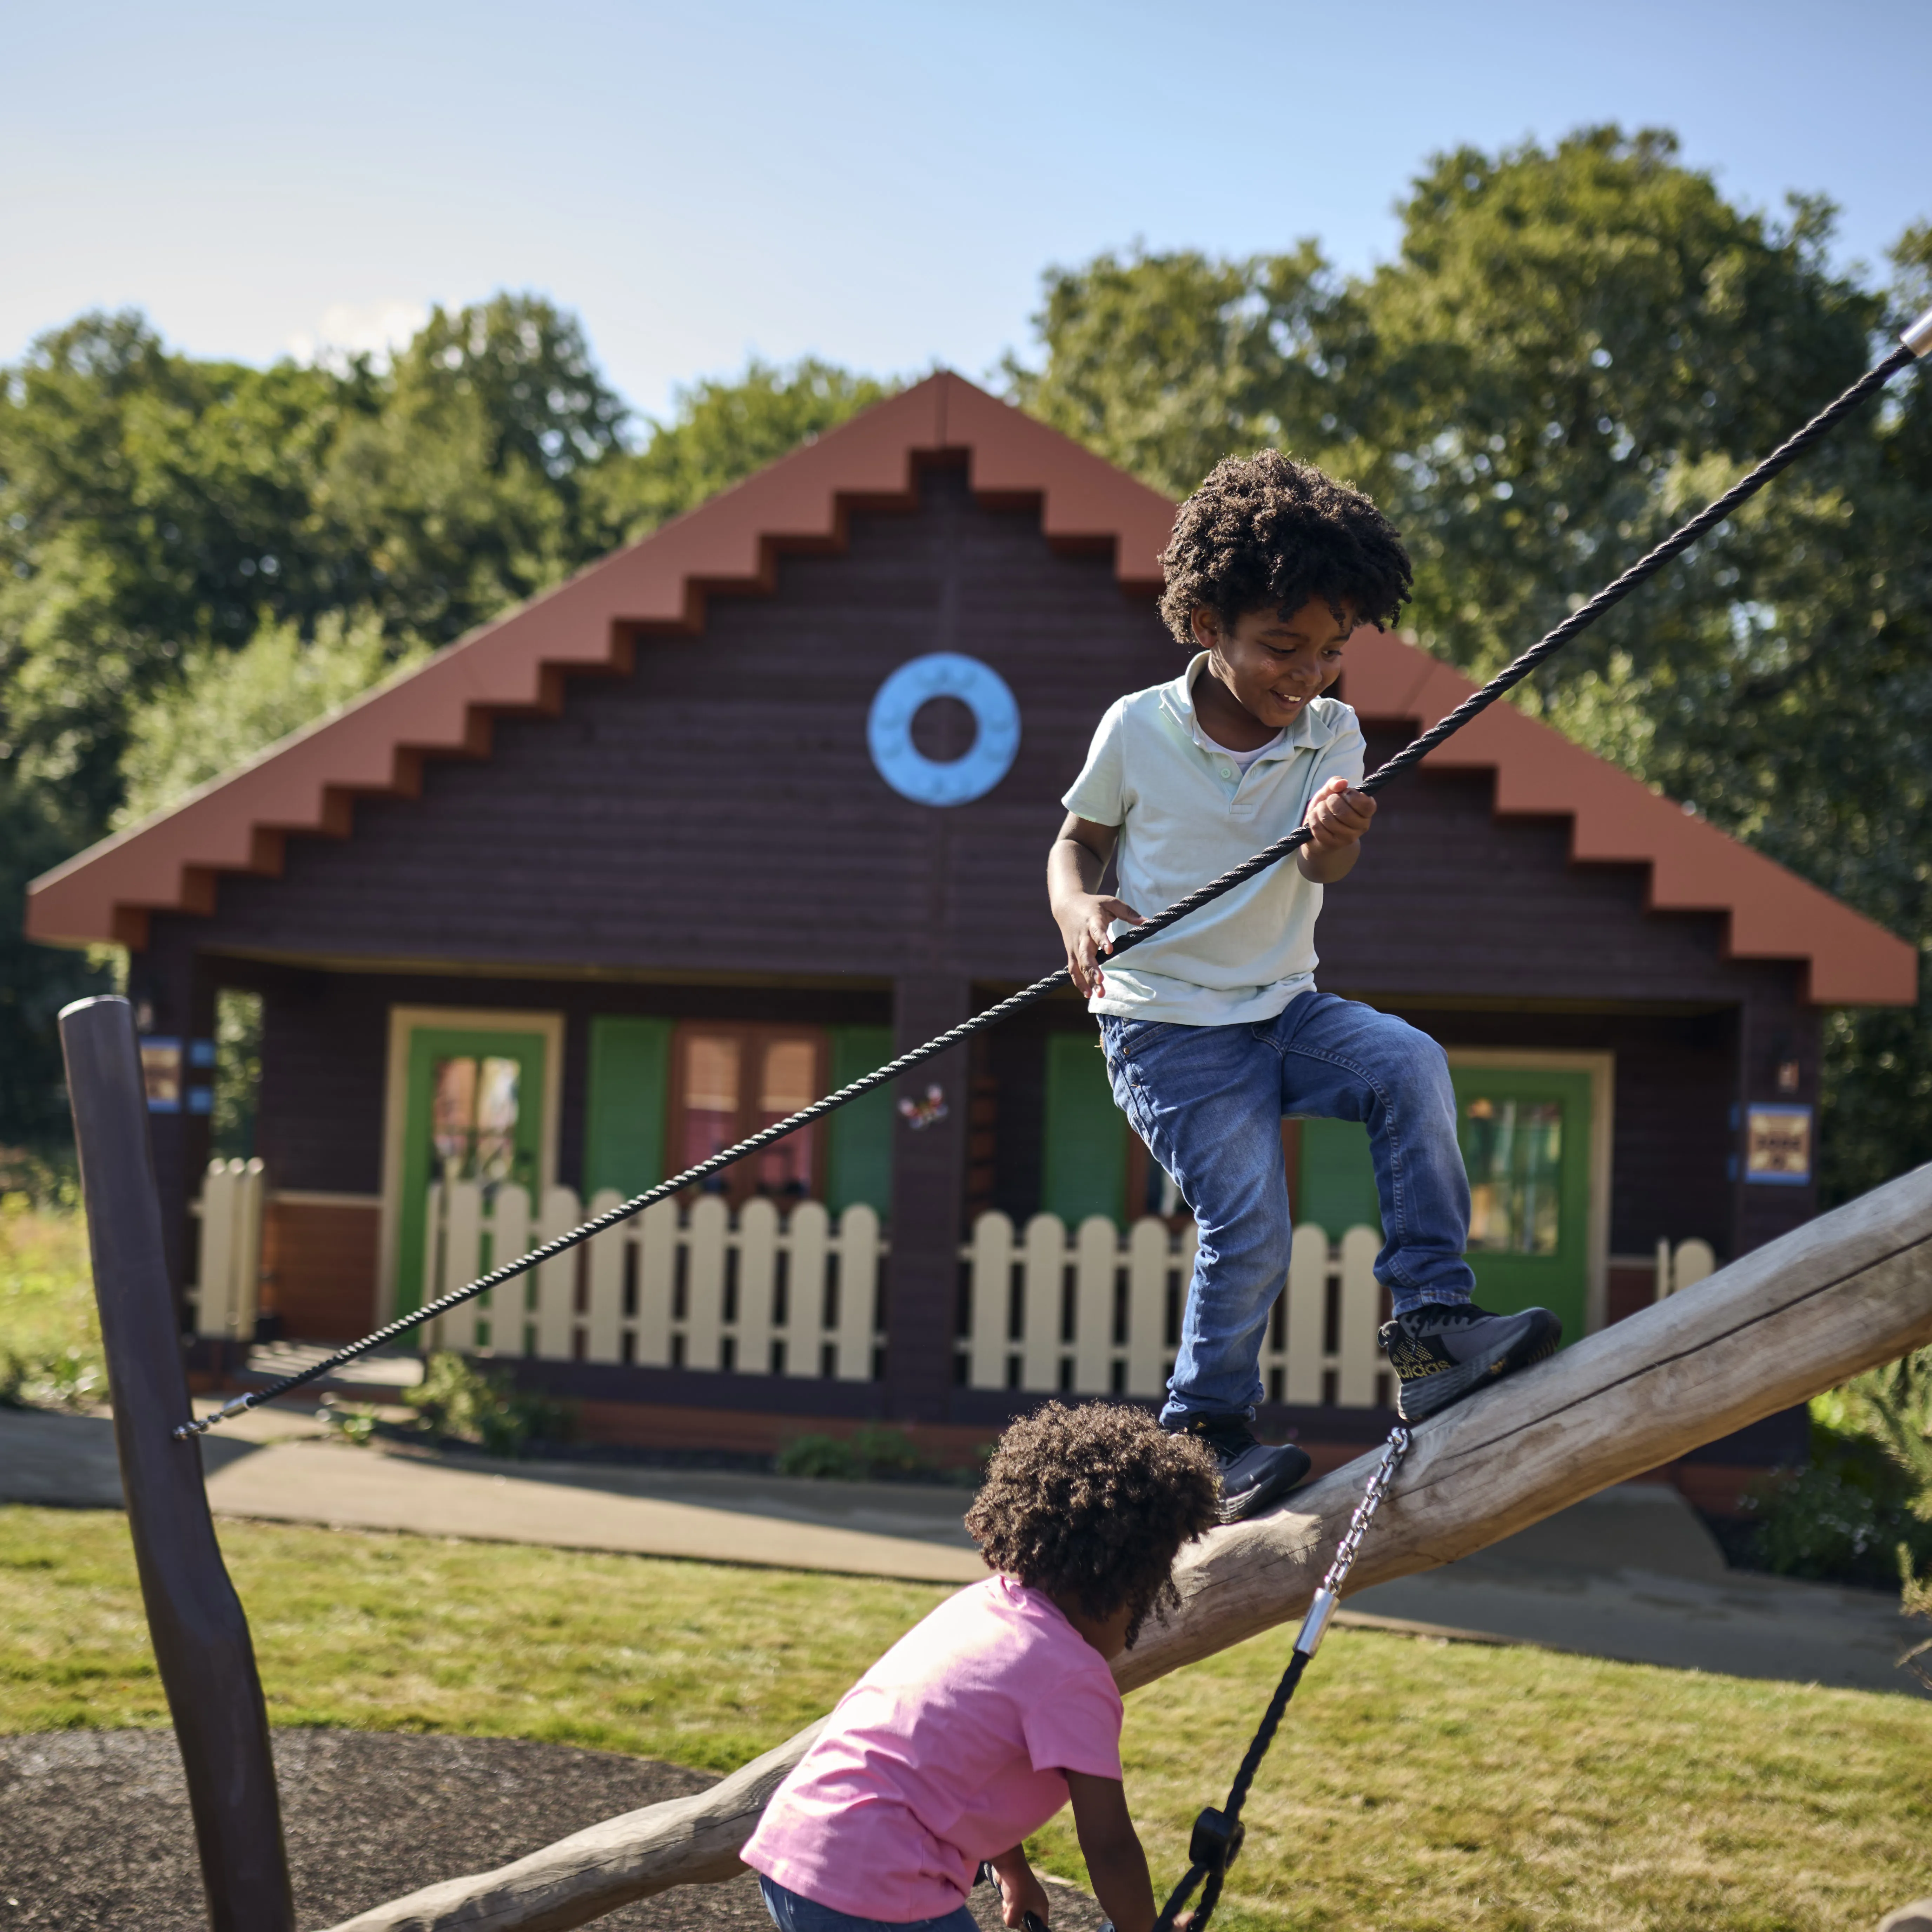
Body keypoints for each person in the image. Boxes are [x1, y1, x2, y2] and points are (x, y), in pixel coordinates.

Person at [1047, 450, 1560, 1523]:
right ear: (1205, 624)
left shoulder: (1332, 731)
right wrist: (1079, 911)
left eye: (1330, 652)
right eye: (1283, 647)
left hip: (1282, 1011)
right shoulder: (1136, 729)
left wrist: (1335, 837)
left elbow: (1324, 872)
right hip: (1168, 1032)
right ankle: (1207, 1432)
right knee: (1255, 1225)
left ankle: (1431, 1329)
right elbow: (1076, 844)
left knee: (1409, 1062)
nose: (1307, 675)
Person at [742, 1402, 1218, 1932]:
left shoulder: (986, 1605)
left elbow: (957, 1764)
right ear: (1121, 1581)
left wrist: (1011, 1868)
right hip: (875, 1880)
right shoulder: (1076, 1678)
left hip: (796, 1848)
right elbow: (1109, 1846)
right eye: (1148, 1590)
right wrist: (1148, 1927)